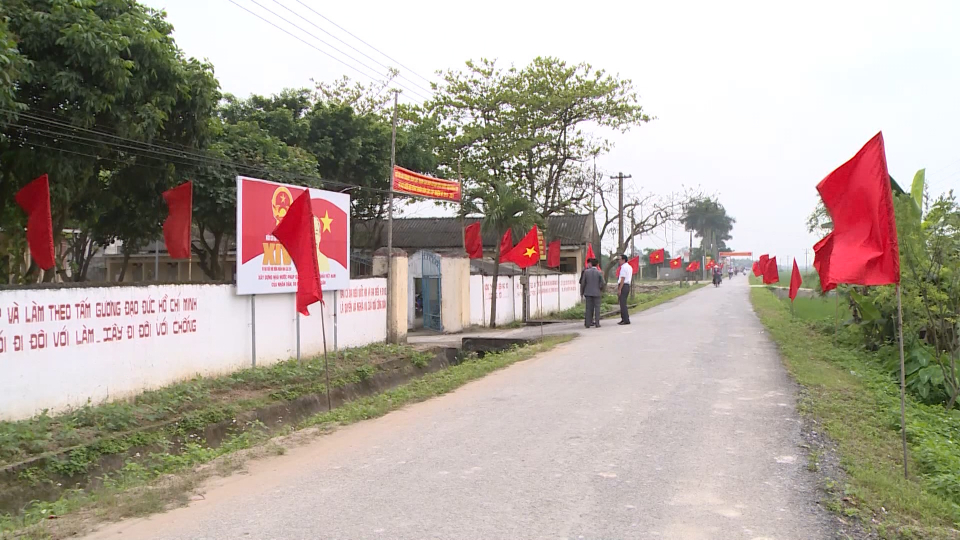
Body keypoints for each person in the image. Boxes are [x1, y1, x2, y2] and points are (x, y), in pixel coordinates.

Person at [579, 258, 605, 328]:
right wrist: (600, 288)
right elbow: (603, 283)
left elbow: (583, 283)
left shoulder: (586, 272)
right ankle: (597, 323)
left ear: (591, 264)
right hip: (597, 292)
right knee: (597, 308)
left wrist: (582, 292)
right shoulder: (599, 272)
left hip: (588, 292)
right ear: (597, 265)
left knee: (588, 308)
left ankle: (587, 324)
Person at [617, 254, 632, 325]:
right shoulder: (629, 267)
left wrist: (619, 289)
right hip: (627, 285)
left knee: (622, 304)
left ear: (623, 260)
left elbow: (622, 279)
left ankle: (626, 319)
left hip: (623, 285)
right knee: (623, 303)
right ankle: (623, 318)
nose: (619, 261)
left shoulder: (623, 267)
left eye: (619, 259)